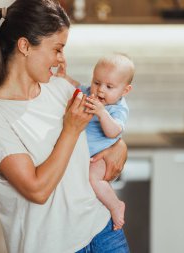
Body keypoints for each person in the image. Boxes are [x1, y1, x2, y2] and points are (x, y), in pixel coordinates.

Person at [0, 0, 130, 252]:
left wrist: (120, 145)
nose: (61, 59)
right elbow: (37, 190)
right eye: (57, 49)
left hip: (103, 231)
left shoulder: (61, 89)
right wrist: (70, 130)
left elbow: (103, 123)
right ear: (25, 46)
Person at [56, 53, 134, 230]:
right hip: (83, 156)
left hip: (100, 158)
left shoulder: (117, 108)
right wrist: (64, 77)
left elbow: (114, 131)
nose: (100, 90)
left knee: (93, 178)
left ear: (125, 90)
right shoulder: (89, 93)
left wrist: (102, 113)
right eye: (97, 82)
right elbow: (76, 86)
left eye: (109, 86)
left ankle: (115, 205)